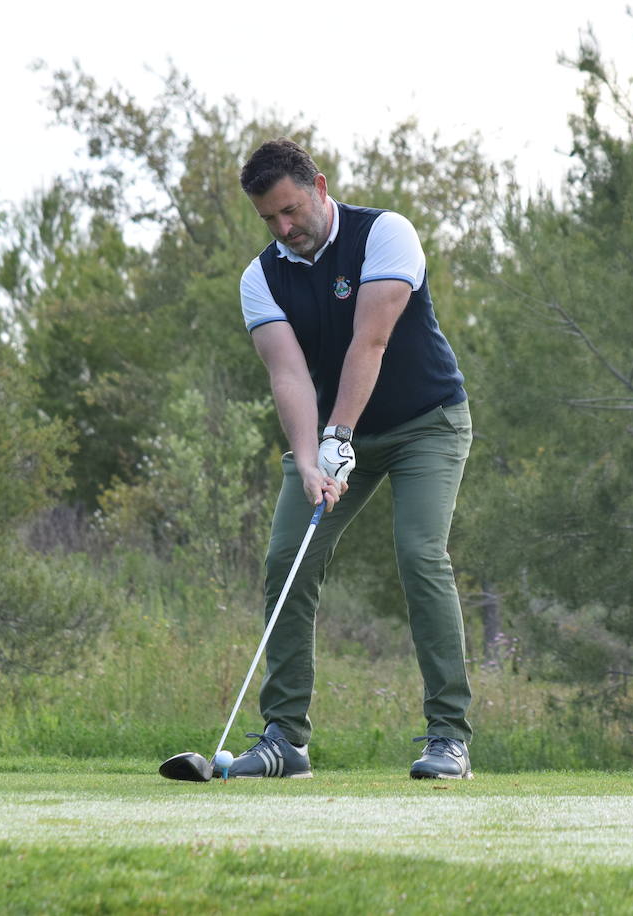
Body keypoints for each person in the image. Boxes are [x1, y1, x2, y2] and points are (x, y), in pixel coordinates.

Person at [231, 138, 474, 780]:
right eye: (270, 220)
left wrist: (337, 436)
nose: (285, 229)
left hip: (427, 423)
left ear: (319, 184)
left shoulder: (385, 234)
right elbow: (288, 375)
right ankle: (285, 738)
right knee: (289, 557)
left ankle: (448, 736)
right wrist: (311, 461)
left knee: (420, 553)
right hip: (339, 437)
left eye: (290, 210)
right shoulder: (262, 278)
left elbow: (371, 341)